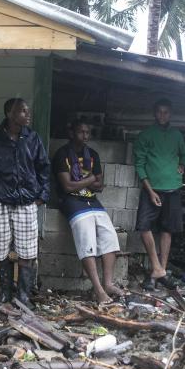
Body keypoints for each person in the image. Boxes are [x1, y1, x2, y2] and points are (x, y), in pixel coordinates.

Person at [0, 98, 50, 308]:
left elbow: (44, 168)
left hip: (26, 202)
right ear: (10, 114)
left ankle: (23, 297)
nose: (28, 114)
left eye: (28, 110)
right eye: (23, 111)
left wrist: (42, 196)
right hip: (0, 201)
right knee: (0, 250)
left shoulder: (33, 138)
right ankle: (6, 295)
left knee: (27, 251)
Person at [52, 118, 123, 303]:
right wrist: (90, 180)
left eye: (87, 133)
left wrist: (85, 183)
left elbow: (100, 185)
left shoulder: (92, 155)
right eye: (81, 132)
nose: (85, 136)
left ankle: (108, 284)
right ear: (72, 133)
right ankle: (98, 290)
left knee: (110, 236)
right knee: (87, 240)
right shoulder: (62, 155)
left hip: (92, 201)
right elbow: (67, 187)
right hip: (71, 202)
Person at [134, 98, 185, 291]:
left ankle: (161, 271)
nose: (162, 115)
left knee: (167, 230)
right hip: (153, 189)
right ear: (154, 114)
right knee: (144, 227)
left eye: (166, 112)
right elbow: (139, 165)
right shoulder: (146, 135)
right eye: (159, 112)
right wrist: (150, 192)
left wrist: (183, 163)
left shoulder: (176, 135)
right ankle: (156, 267)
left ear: (170, 114)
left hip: (173, 188)